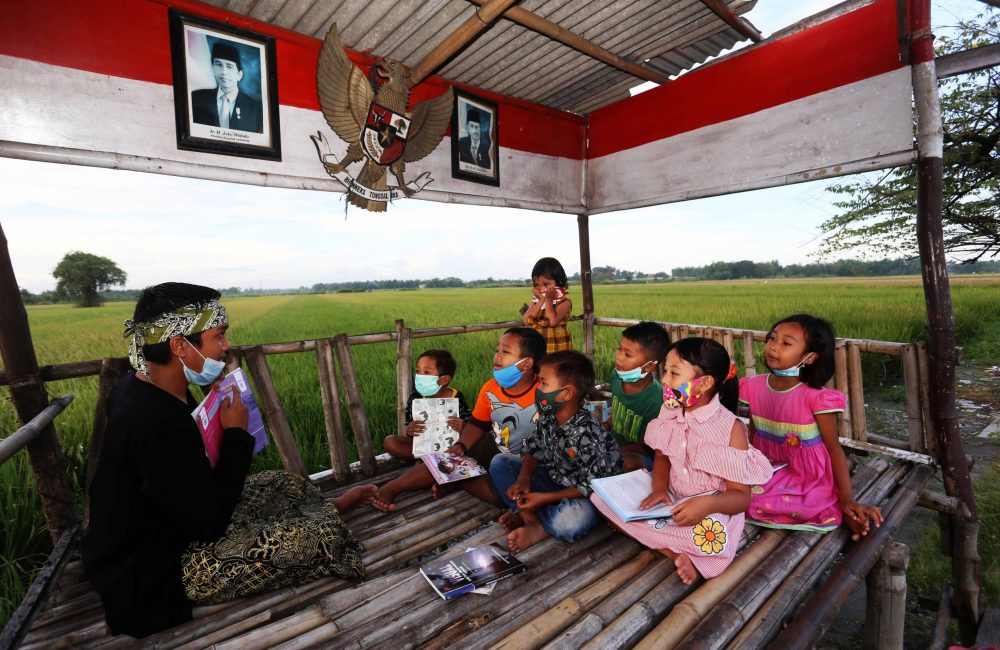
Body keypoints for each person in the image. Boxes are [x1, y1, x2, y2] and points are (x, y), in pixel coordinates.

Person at [83, 283, 373, 638]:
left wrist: (208, 404)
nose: (226, 346)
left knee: (285, 482)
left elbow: (185, 477)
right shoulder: (151, 421)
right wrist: (236, 435)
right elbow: (209, 523)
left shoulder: (143, 385)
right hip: (154, 571)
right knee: (318, 537)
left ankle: (332, 505)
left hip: (170, 522)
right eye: (218, 336)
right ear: (179, 345)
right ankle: (329, 517)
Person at [592, 338, 773, 585]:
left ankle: (679, 548)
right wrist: (658, 489)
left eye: (674, 373)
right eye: (666, 371)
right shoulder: (670, 410)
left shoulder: (731, 429)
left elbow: (741, 497)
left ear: (705, 383)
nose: (665, 380)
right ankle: (676, 553)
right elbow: (661, 457)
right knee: (600, 499)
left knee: (713, 534)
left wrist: (707, 504)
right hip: (671, 500)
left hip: (711, 509)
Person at [740, 314, 883, 540]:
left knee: (808, 504)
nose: (774, 347)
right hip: (765, 469)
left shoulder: (815, 398)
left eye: (786, 343)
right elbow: (753, 435)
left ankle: (845, 511)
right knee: (733, 495)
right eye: (772, 339)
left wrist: (847, 499)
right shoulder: (754, 387)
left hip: (804, 476)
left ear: (809, 357)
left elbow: (834, 449)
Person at [490, 350, 623, 552]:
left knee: (571, 520)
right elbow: (534, 449)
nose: (538, 388)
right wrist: (524, 478)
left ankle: (535, 522)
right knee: (500, 463)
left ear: (566, 394)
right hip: (556, 479)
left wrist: (544, 499)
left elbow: (592, 485)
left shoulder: (587, 431)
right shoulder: (549, 415)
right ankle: (530, 515)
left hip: (588, 495)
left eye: (544, 383)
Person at [371, 349, 471, 511]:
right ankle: (435, 475)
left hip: (449, 451)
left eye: (426, 372)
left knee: (448, 459)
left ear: (444, 379)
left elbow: (469, 428)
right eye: (418, 371)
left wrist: (463, 427)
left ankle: (407, 480)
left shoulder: (456, 398)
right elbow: (410, 428)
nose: (420, 376)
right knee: (390, 442)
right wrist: (410, 430)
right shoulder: (415, 398)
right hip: (423, 447)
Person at [610, 321, 670, 471]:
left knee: (626, 463)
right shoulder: (616, 376)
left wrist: (616, 451)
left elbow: (650, 447)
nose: (619, 357)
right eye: (619, 349)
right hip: (613, 445)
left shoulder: (657, 401)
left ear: (649, 366)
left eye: (627, 354)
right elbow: (618, 411)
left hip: (642, 453)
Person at [191, 41, 264, 133]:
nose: (223, 72)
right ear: (213, 68)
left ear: (239, 75)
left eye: (229, 66)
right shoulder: (196, 98)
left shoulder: (255, 108)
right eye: (218, 64)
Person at [521, 257, 573, 353]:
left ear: (558, 282)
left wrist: (548, 301)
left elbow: (552, 321)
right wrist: (540, 300)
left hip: (557, 350)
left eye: (546, 284)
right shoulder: (536, 301)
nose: (541, 288)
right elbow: (526, 321)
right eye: (537, 285)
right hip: (538, 349)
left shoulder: (564, 302)